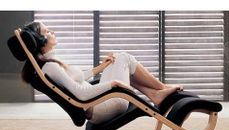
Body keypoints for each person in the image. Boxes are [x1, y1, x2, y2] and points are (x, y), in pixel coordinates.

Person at [21, 22, 183, 124]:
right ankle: (160, 88)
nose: (52, 32)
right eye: (47, 31)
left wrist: (102, 67)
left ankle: (155, 94)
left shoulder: (51, 63)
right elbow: (81, 94)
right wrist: (113, 83)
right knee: (124, 58)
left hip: (101, 102)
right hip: (104, 107)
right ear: (40, 41)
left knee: (118, 58)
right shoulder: (50, 67)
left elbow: (78, 80)